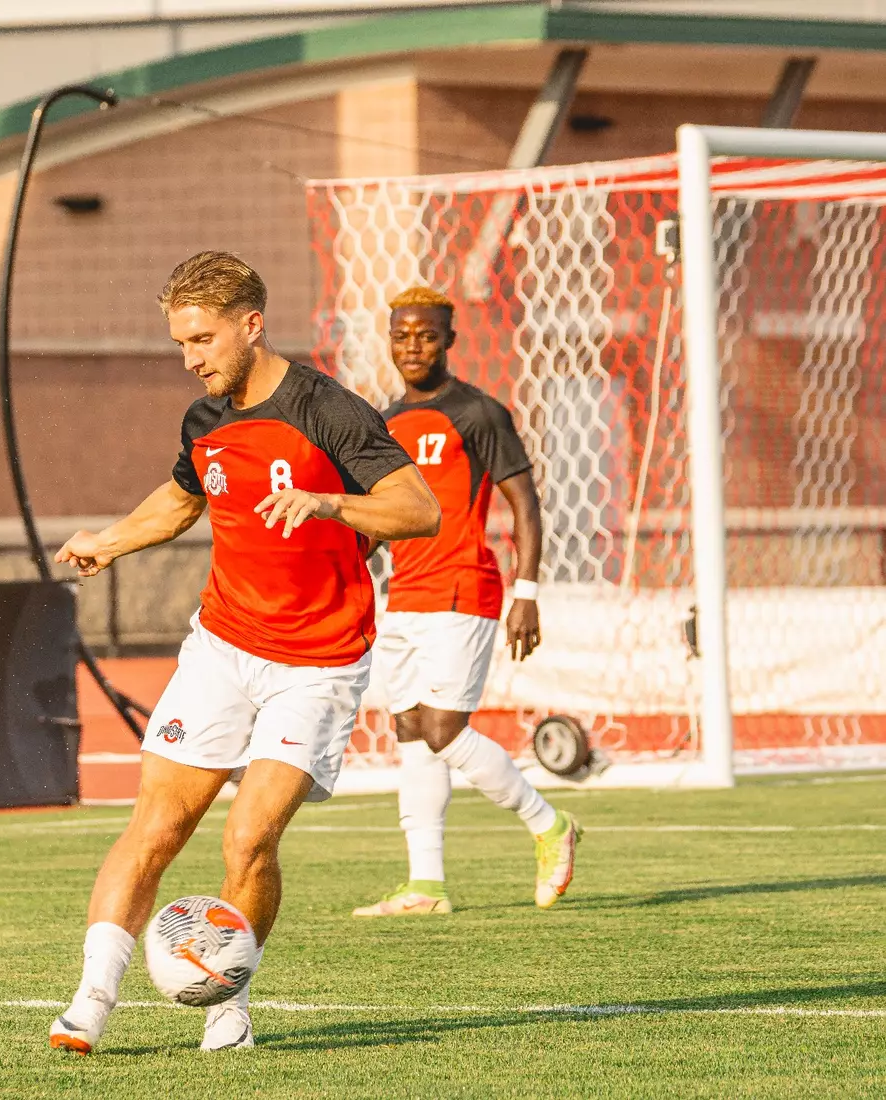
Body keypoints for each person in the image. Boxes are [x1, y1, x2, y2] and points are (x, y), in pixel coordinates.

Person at [48, 252, 440, 1054]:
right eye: (181, 344)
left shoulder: (328, 410)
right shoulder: (205, 420)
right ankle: (90, 1002)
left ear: (251, 326)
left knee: (248, 839)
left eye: (202, 340)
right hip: (223, 646)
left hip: (320, 660)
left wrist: (330, 503)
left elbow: (419, 509)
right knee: (157, 825)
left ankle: (228, 1003)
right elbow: (182, 499)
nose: (190, 359)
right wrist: (110, 541)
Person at [352, 286, 581, 919]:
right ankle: (426, 884)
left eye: (427, 335)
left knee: (443, 729)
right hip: (404, 595)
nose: (413, 346)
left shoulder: (479, 413)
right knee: (410, 733)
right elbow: (382, 517)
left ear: (449, 340)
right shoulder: (384, 423)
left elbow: (525, 503)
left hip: (464, 588)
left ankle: (549, 824)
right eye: (402, 335)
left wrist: (527, 593)